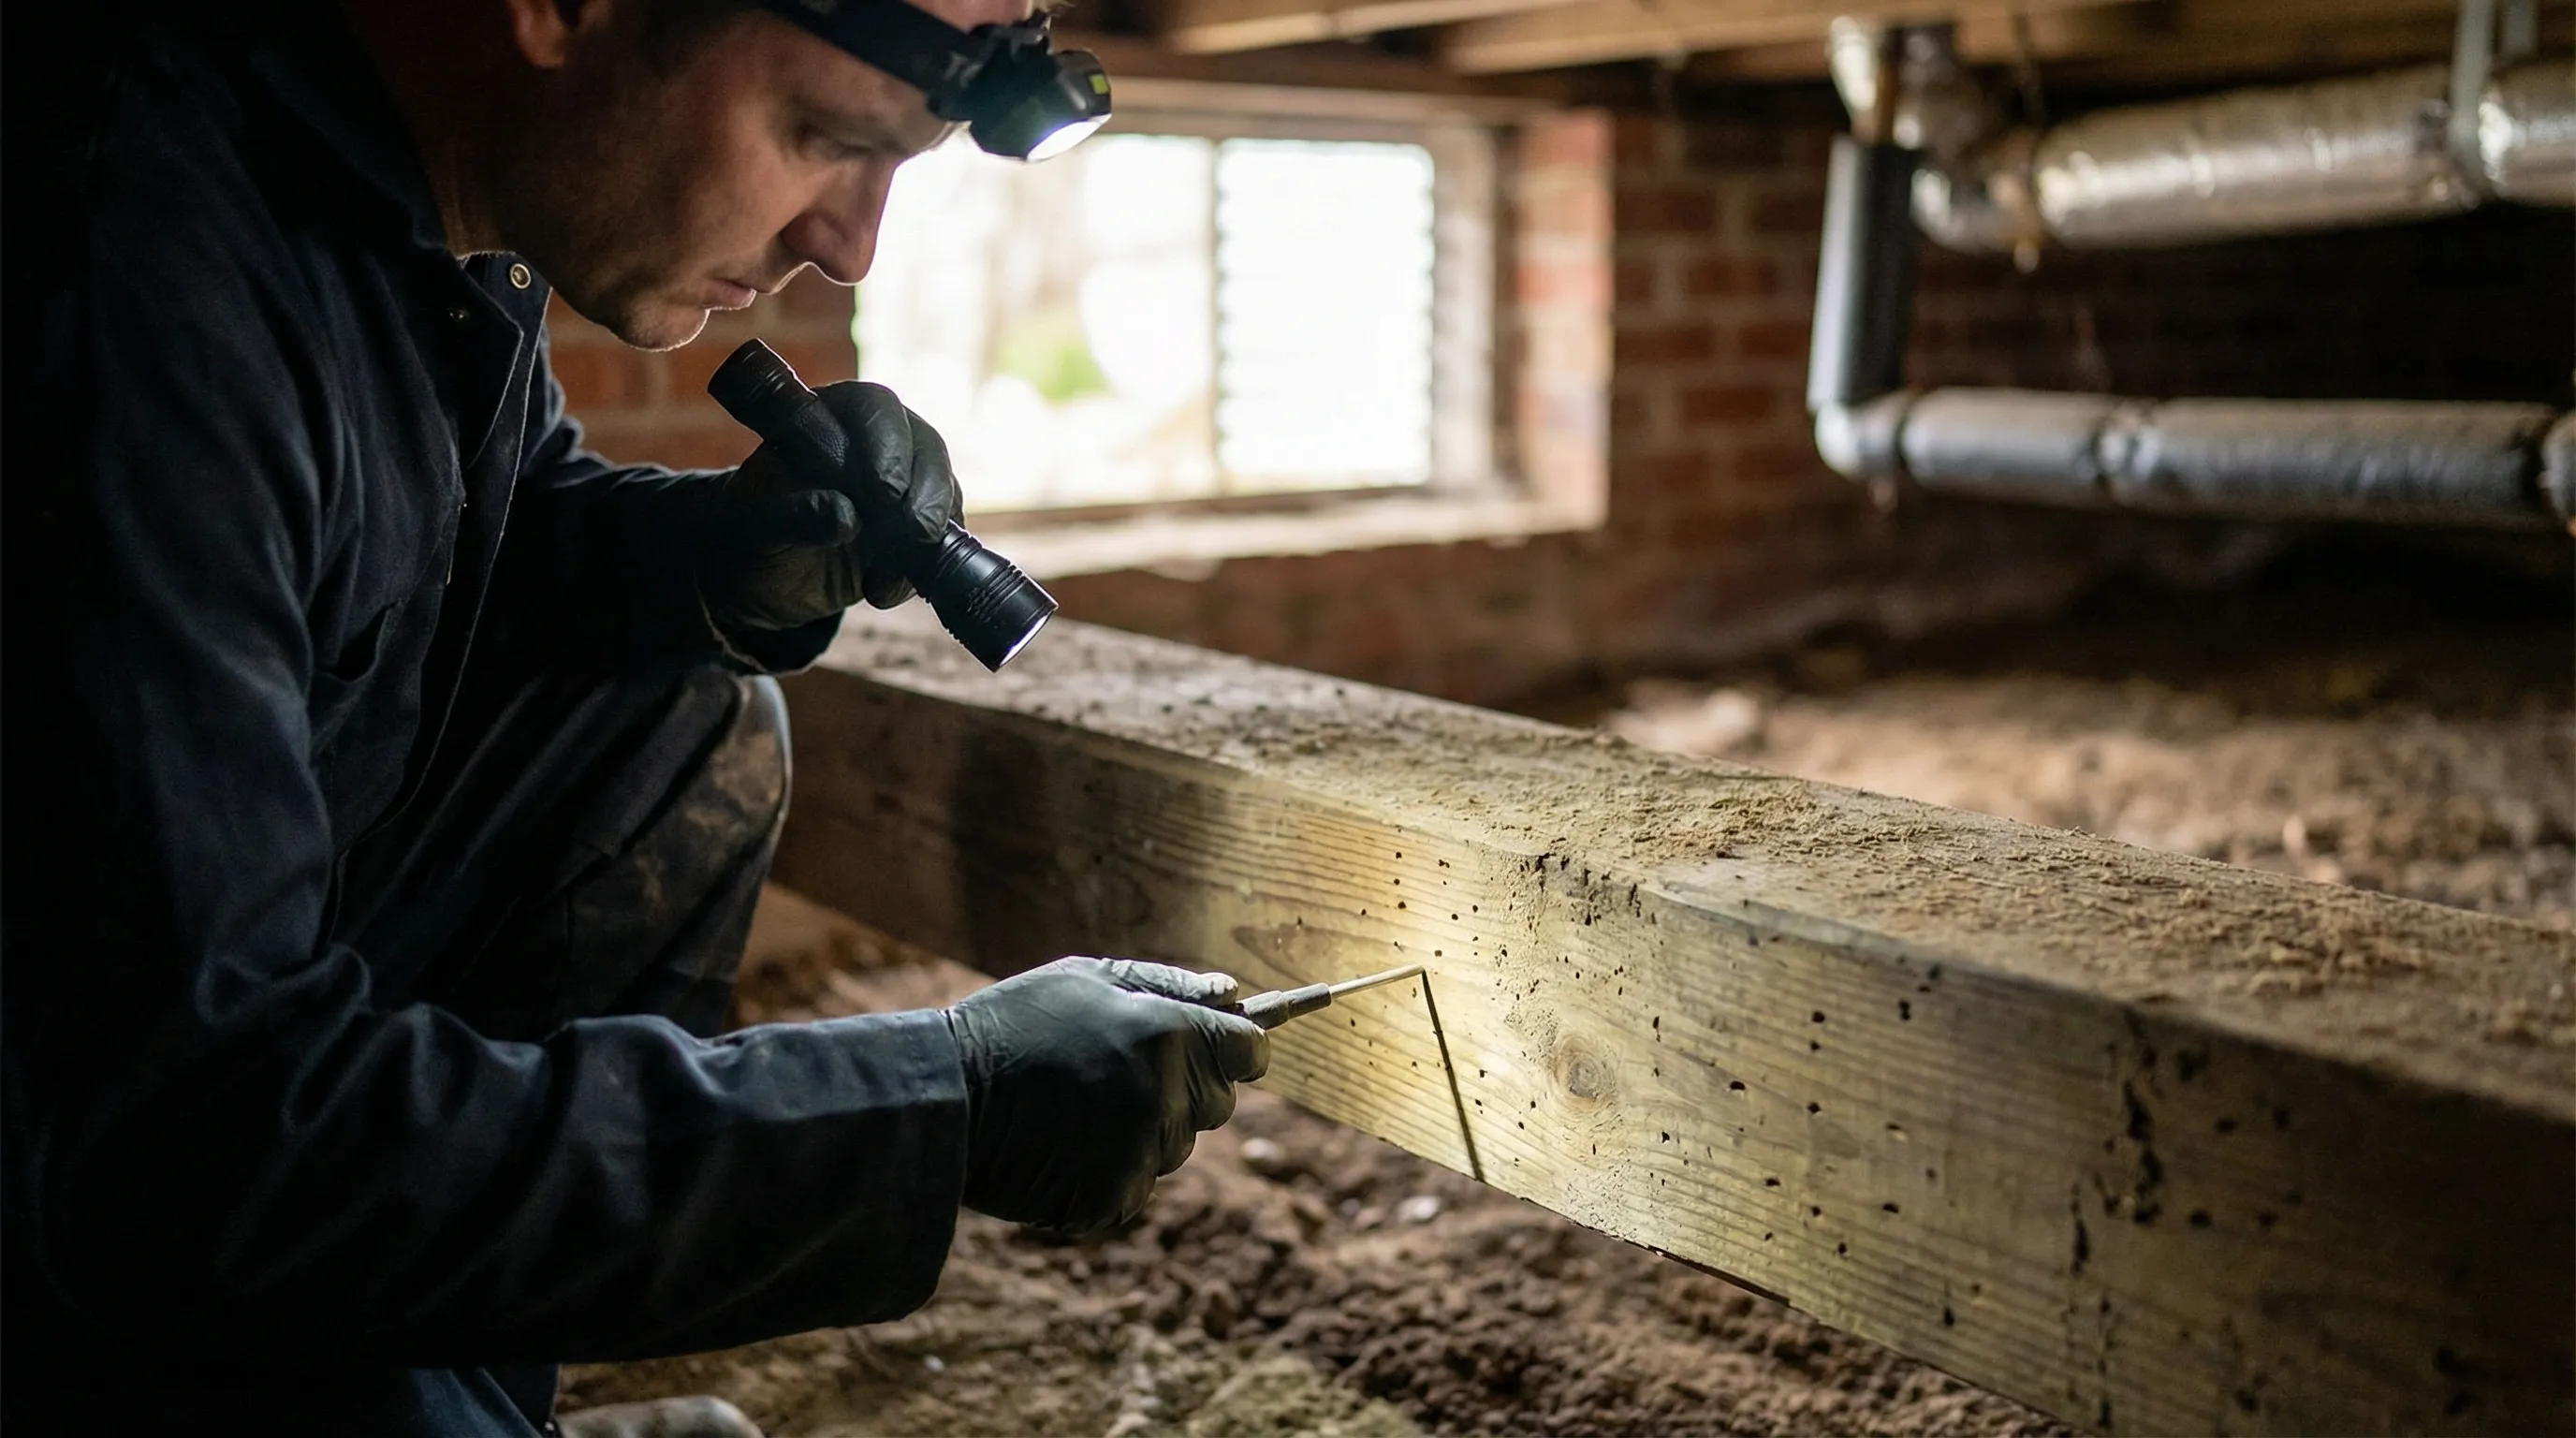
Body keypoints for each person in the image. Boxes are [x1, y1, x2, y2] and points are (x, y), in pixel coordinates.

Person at [0, 0, 1269, 1432]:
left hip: (144, 1082)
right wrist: (932, 1104)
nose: (847, 246)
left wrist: (715, 563)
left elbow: (469, 542)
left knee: (678, 711)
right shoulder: (125, 272)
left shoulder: (410, 203)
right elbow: (191, 1144)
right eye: (825, 139)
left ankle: (460, 1397)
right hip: (93, 1175)